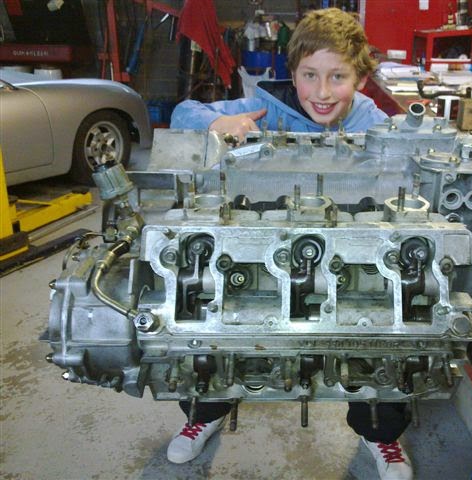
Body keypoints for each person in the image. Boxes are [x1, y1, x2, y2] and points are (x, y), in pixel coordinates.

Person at [168, 8, 413, 480]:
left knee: (385, 326)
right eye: (309, 75)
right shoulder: (265, 107)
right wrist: (218, 125)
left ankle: (380, 432)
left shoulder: (375, 123)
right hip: (259, 249)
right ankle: (205, 412)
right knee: (208, 311)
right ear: (293, 72)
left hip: (350, 256)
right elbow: (183, 113)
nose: (322, 92)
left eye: (338, 77)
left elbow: (415, 153)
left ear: (361, 78)